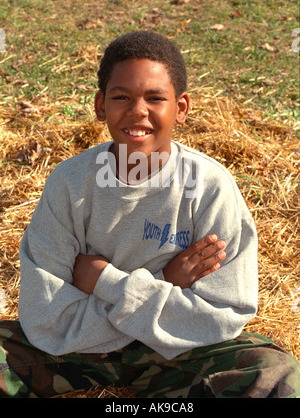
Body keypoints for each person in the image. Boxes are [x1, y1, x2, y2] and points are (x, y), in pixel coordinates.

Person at [0, 31, 299, 398]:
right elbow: (47, 318)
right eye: (121, 97)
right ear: (100, 104)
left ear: (182, 108)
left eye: (155, 98)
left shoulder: (209, 187)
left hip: (180, 353)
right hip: (78, 353)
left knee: (276, 374)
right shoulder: (70, 184)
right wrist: (168, 282)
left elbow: (222, 313)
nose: (137, 111)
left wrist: (106, 281)